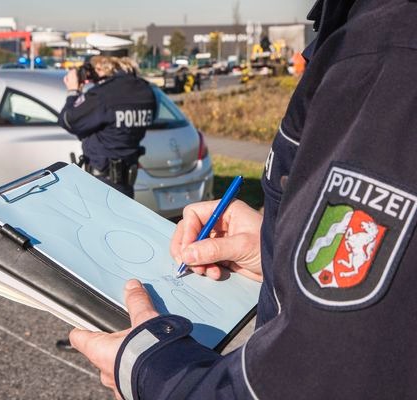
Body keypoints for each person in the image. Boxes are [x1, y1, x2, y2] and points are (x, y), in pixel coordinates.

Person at [68, 0, 417, 398]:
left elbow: (310, 379)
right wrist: (277, 243)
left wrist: (149, 368)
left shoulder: (388, 53)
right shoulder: (361, 31)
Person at [58, 55, 156, 198]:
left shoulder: (103, 94)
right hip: (126, 184)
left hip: (101, 184)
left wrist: (73, 91)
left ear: (102, 65)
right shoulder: (145, 90)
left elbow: (68, 120)